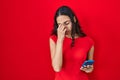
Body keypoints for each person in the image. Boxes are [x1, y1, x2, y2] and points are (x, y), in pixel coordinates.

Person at [49, 5, 95, 80]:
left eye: (66, 23)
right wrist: (60, 40)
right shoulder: (54, 39)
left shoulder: (89, 41)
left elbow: (90, 68)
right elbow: (57, 68)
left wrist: (89, 69)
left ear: (74, 19)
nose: (64, 28)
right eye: (60, 25)